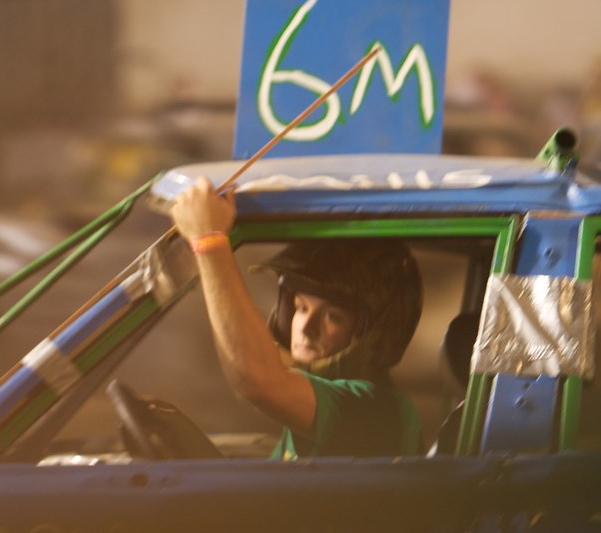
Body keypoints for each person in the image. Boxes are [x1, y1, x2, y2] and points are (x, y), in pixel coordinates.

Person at [170, 177, 423, 459]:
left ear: (373, 333)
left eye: (332, 316)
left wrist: (209, 240)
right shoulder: (317, 399)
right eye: (301, 308)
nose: (306, 328)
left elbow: (258, 383)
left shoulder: (373, 410)